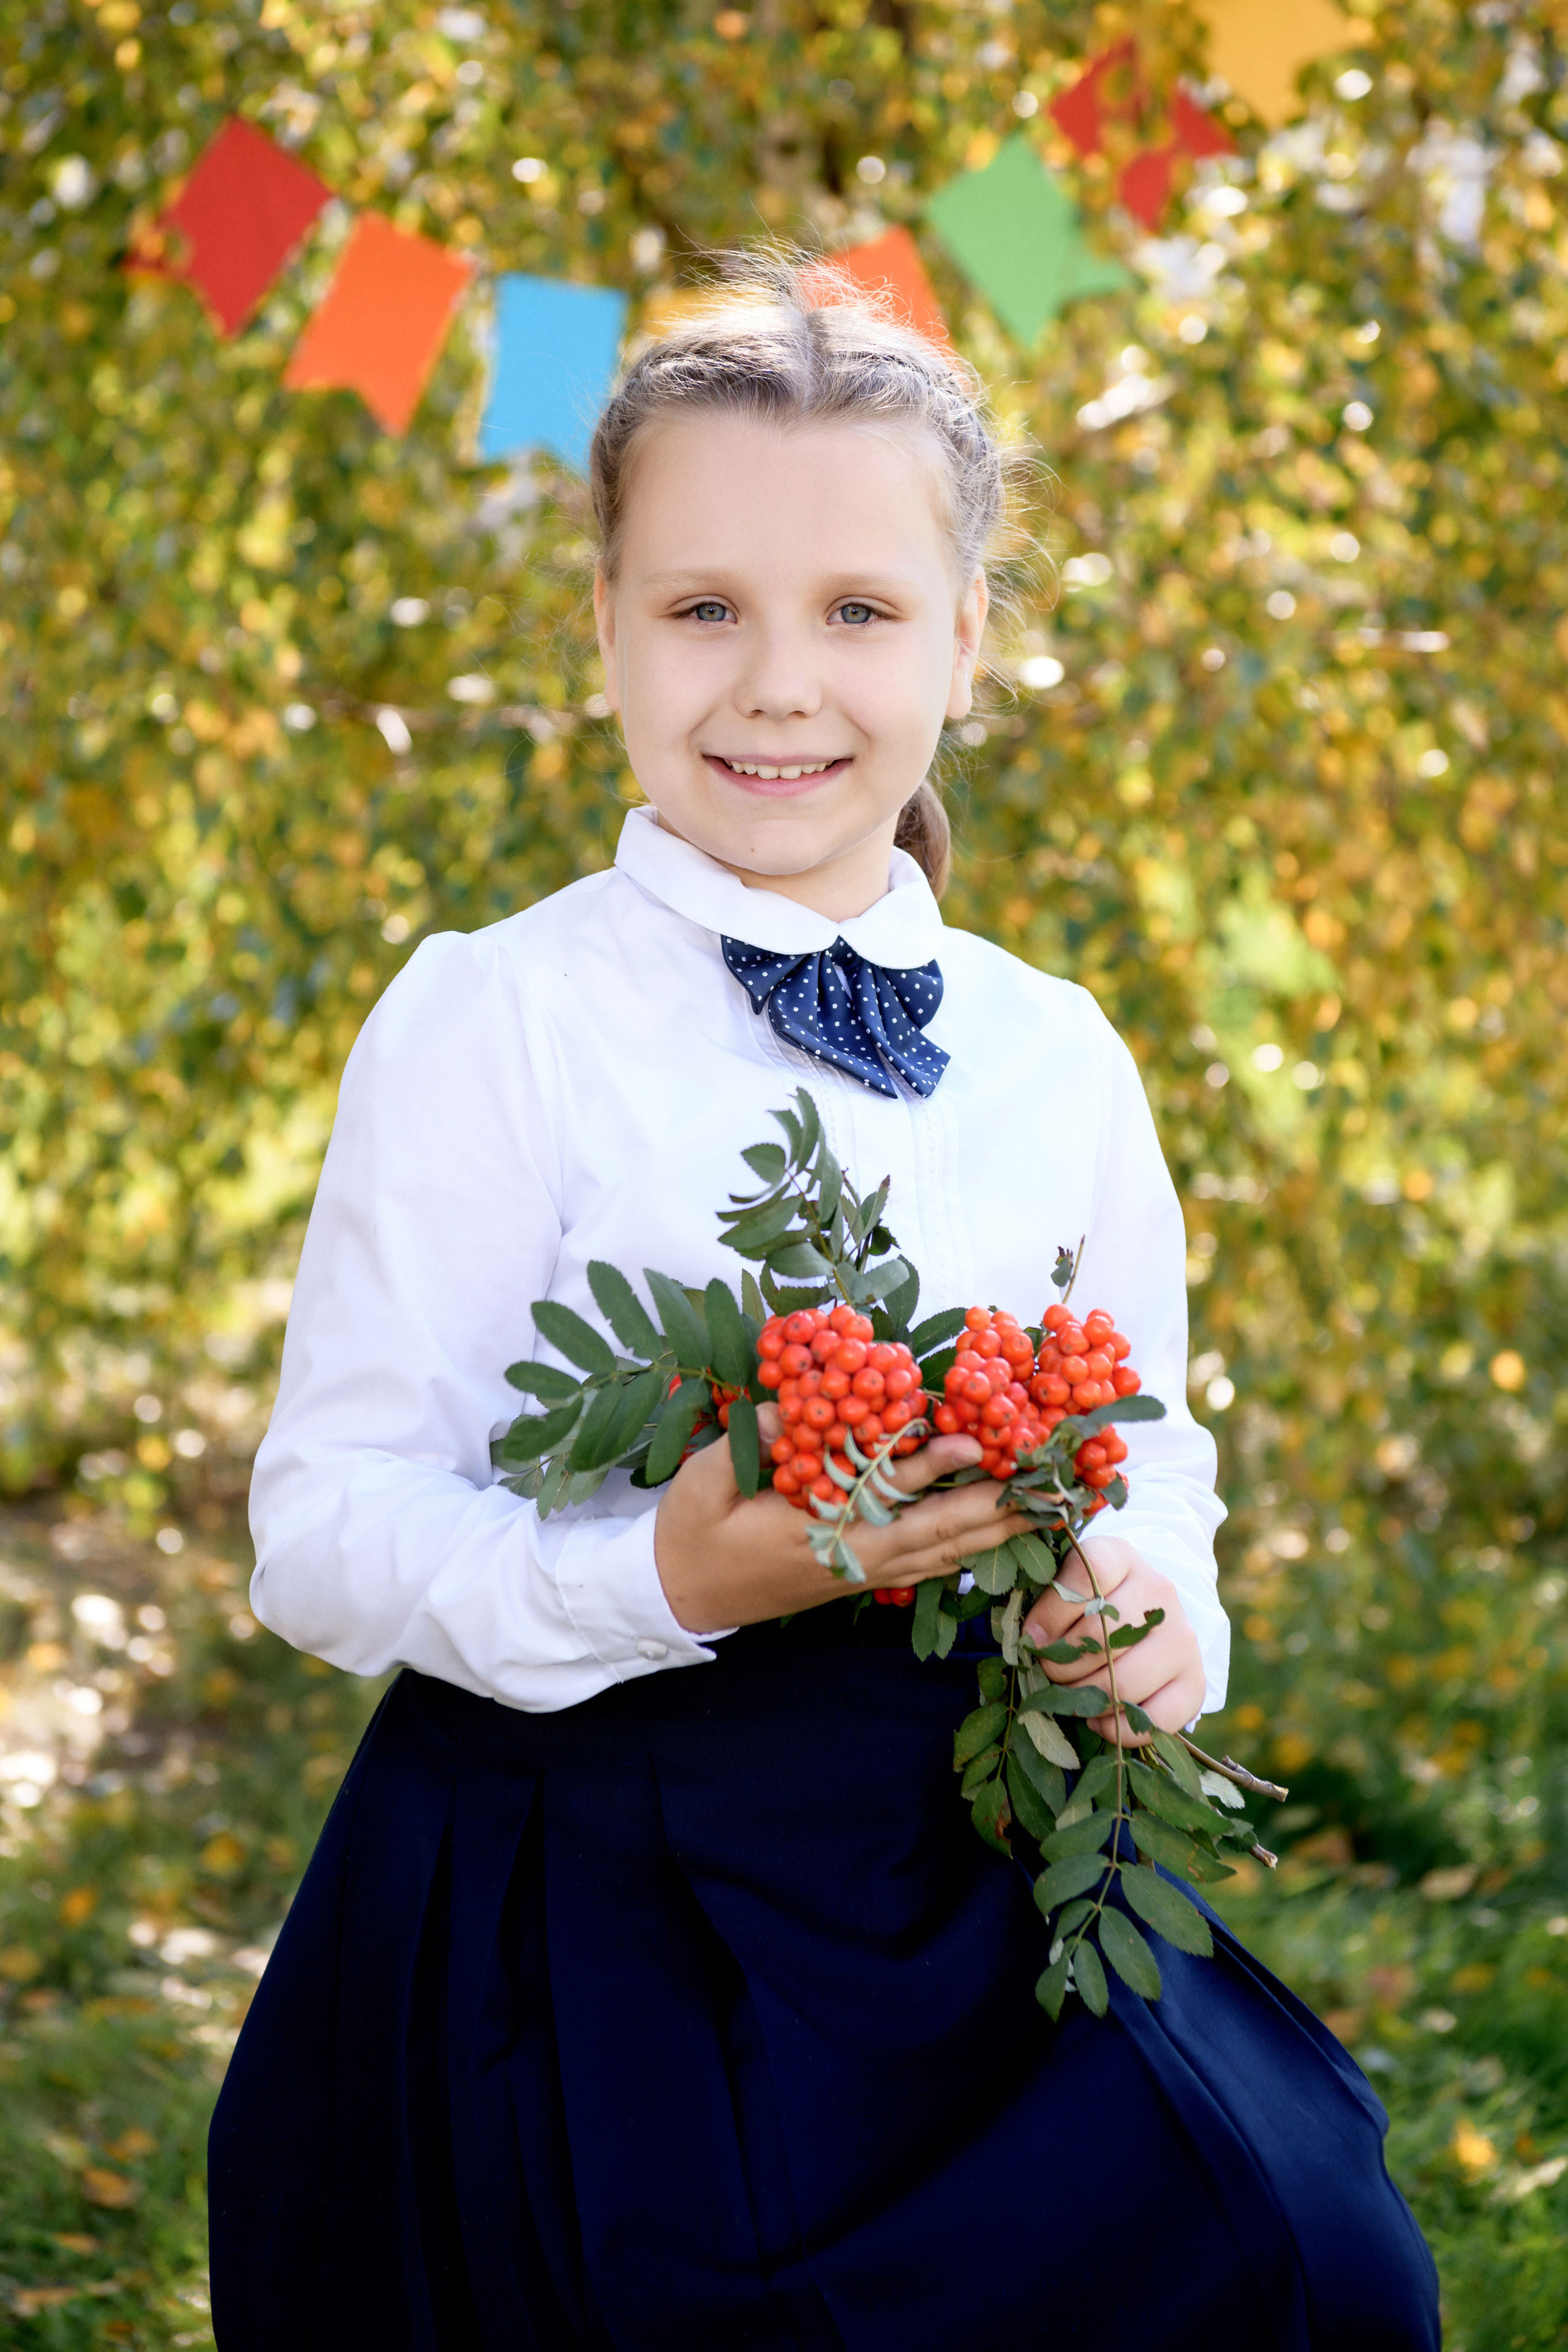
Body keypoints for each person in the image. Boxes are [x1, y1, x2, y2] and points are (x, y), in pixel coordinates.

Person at [207, 256, 1439, 2351]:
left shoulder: (1058, 1053)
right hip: (583, 1871)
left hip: (969, 1849)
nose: (778, 683)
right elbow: (325, 1537)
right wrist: (667, 1573)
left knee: (1309, 2262)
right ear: (602, 628)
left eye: (859, 612)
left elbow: (1139, 1436)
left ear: (969, 642)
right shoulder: (495, 1023)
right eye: (703, 608)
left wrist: (1152, 1605)